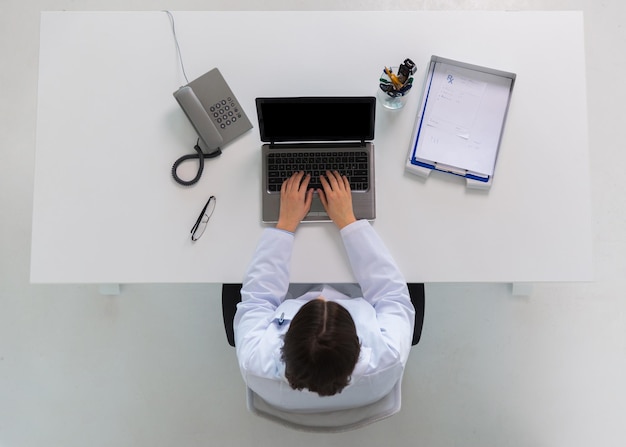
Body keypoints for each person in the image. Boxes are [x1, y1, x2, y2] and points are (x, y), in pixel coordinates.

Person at [234, 170, 415, 413]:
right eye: (329, 303)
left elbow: (257, 300)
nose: (321, 296)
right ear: (358, 344)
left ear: (285, 342)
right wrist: (348, 221)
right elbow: (392, 295)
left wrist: (286, 223)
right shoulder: (388, 355)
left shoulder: (255, 359)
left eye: (315, 303)